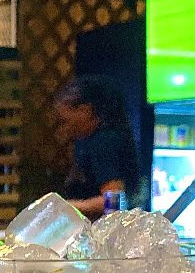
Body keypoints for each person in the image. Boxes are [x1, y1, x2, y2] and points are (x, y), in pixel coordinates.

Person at [55, 77, 142, 218]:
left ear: (85, 110)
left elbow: (114, 202)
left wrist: (64, 206)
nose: (64, 128)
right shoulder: (112, 137)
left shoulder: (103, 142)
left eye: (65, 121)